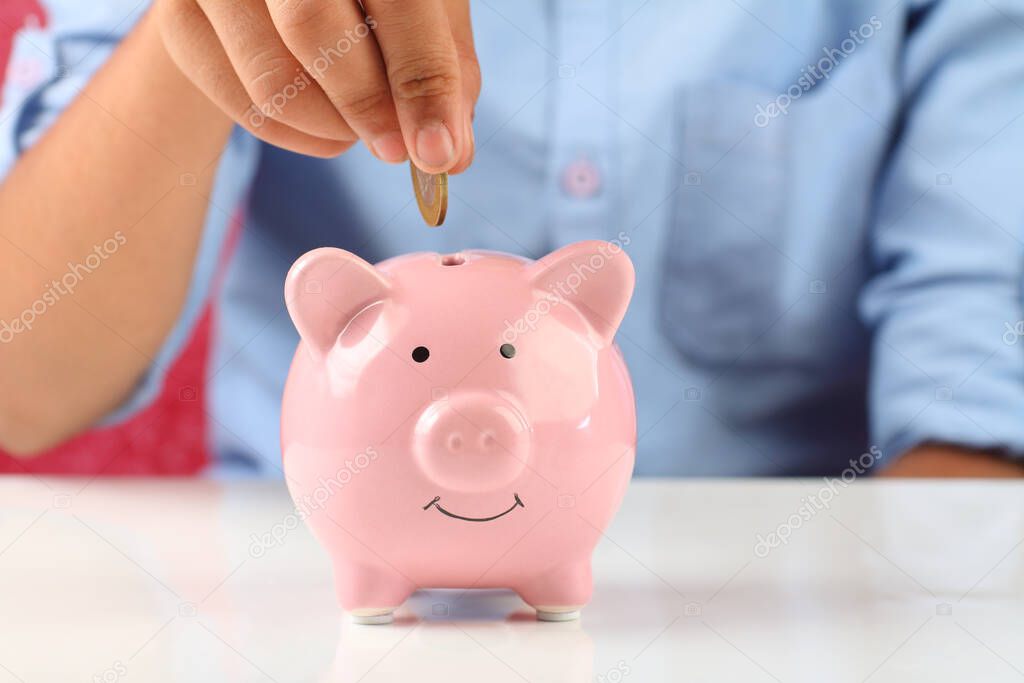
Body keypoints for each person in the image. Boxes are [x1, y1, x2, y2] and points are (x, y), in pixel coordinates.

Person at [1, 1, 1022, 477]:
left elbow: (980, 404)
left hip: (788, 589)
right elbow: (26, 379)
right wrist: (205, 32)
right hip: (310, 588)